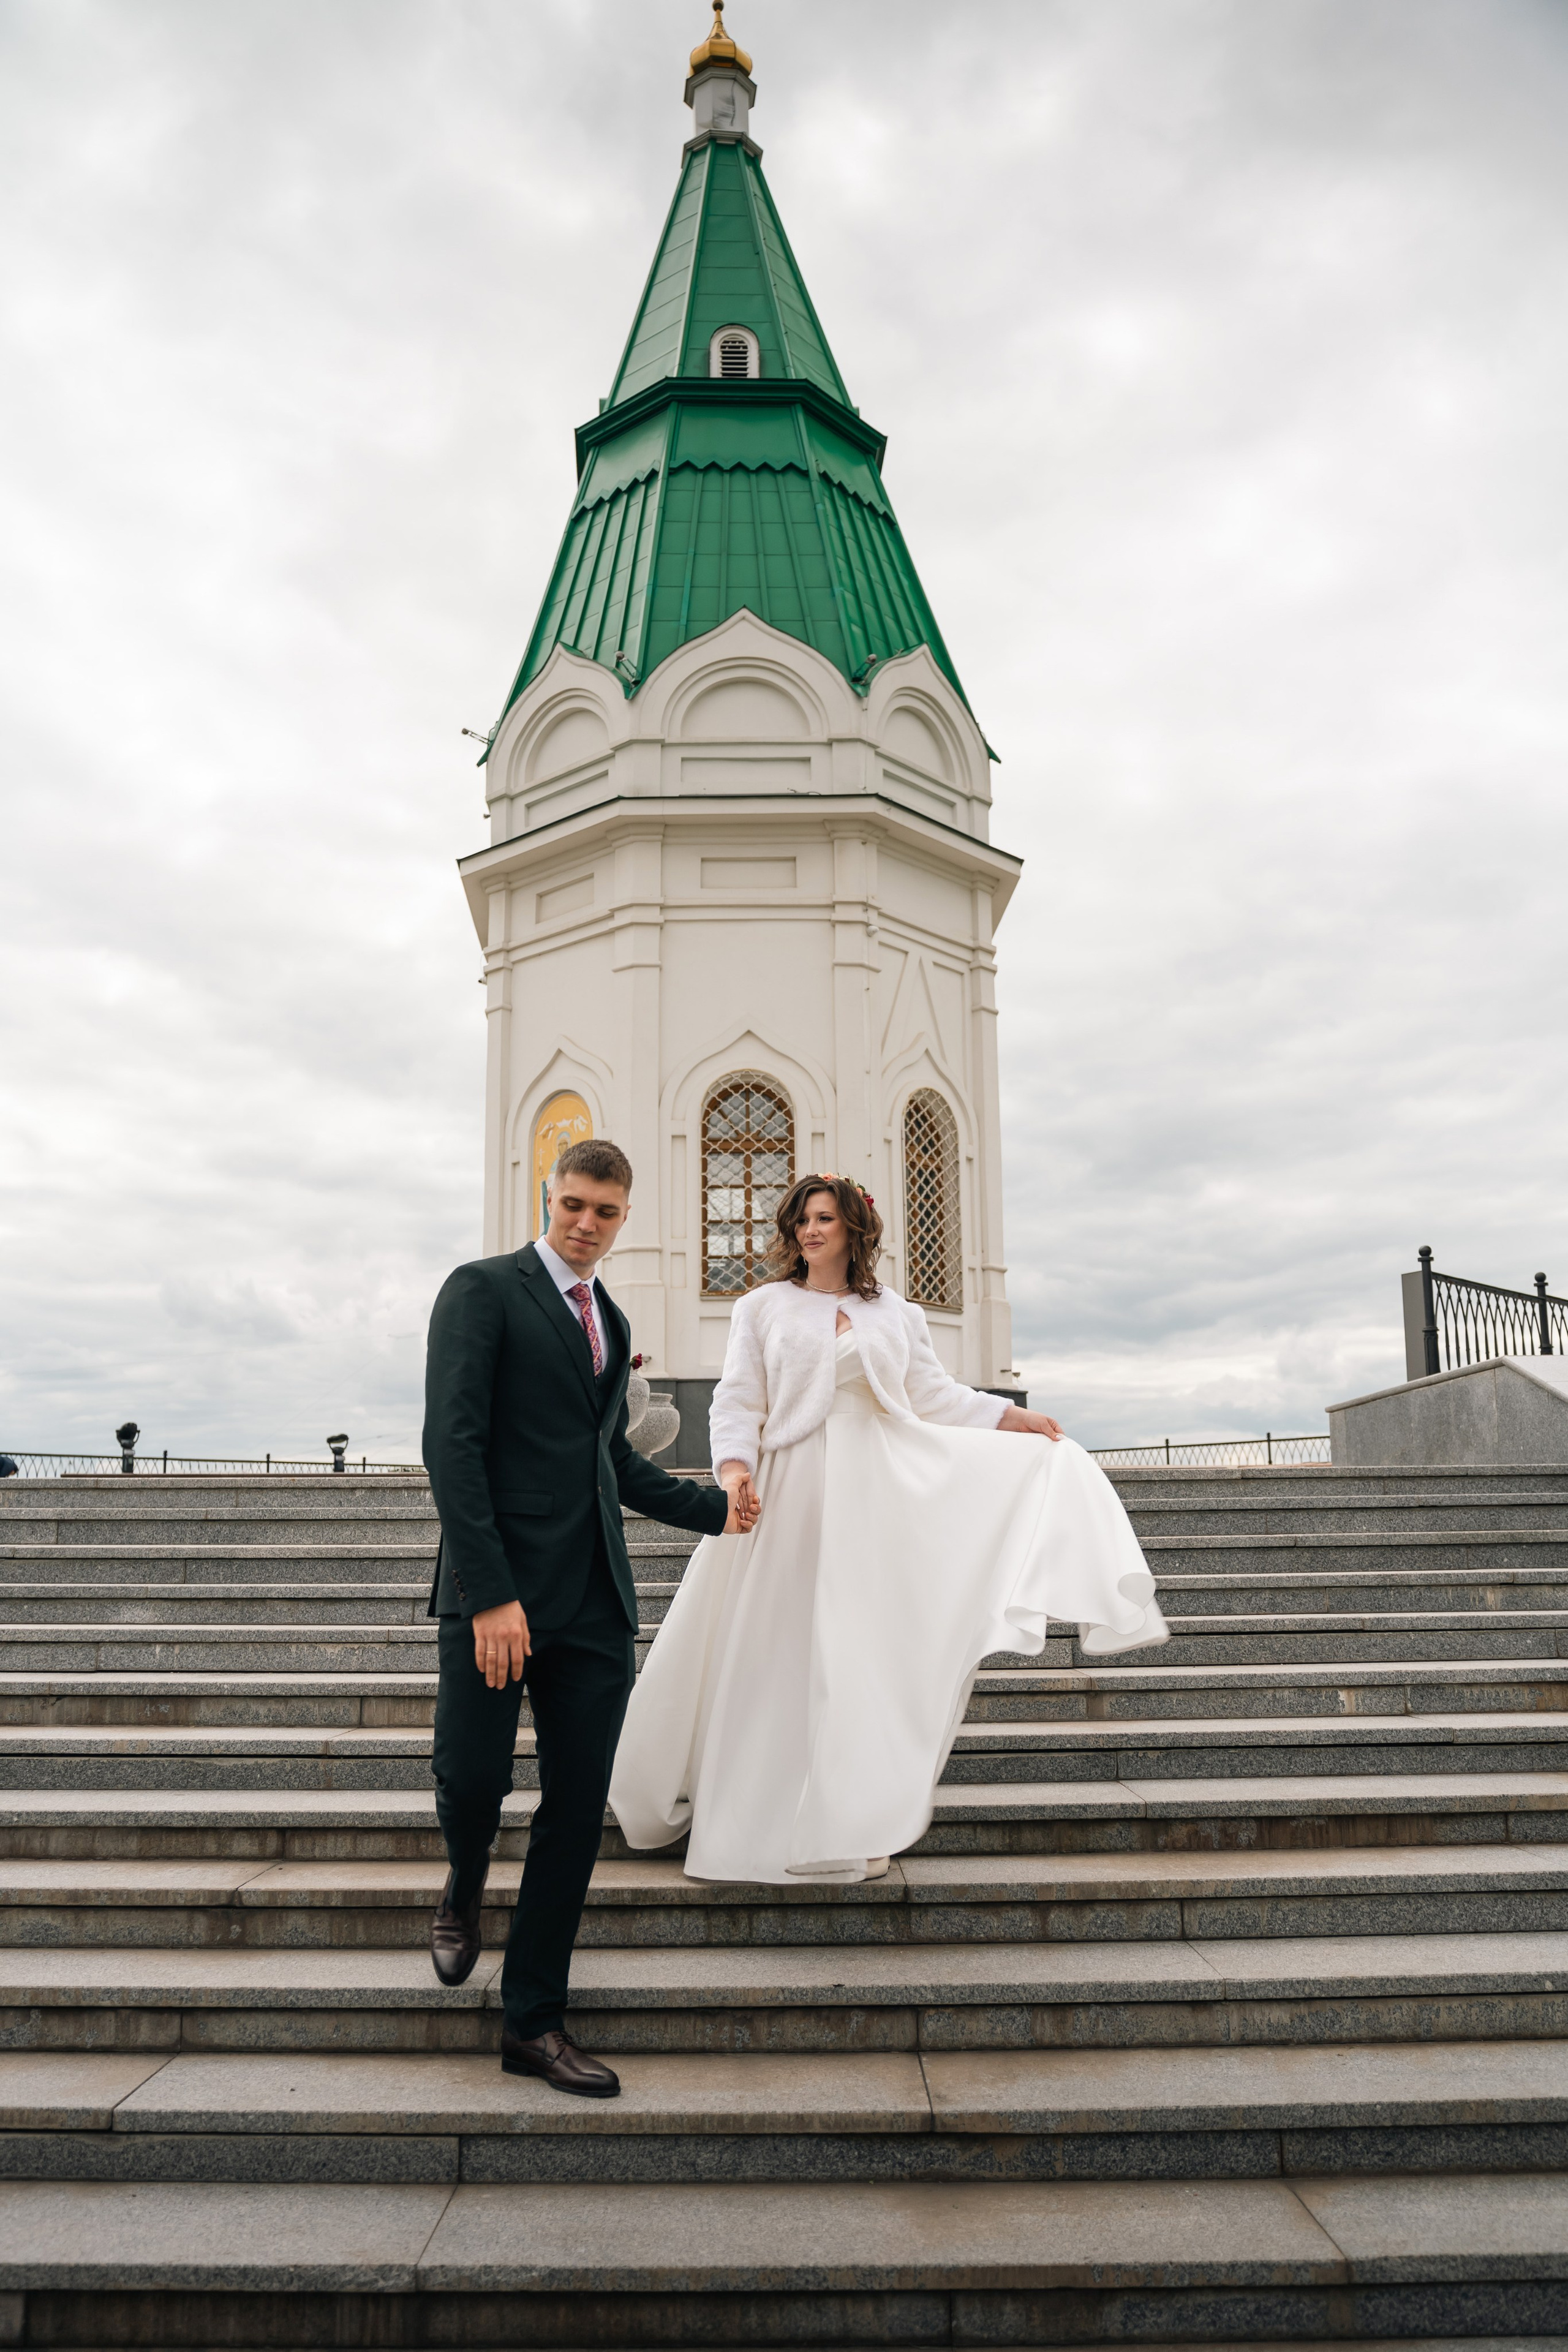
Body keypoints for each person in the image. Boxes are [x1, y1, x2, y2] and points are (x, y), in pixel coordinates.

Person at [610, 1173, 1167, 1885]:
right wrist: (735, 1470)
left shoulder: (896, 1312)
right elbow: (738, 1399)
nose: (811, 1231)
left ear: (853, 1229)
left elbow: (932, 1395)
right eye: (802, 1220)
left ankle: (845, 1821)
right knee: (780, 1644)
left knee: (855, 1653)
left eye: (825, 1219)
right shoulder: (761, 1307)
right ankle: (757, 1823)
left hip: (872, 1494)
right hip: (791, 1487)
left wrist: (1011, 1416)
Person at [421, 1137, 758, 2097]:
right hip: (497, 1596)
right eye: (573, 1204)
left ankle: (534, 2021)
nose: (585, 1223)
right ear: (549, 1197)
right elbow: (452, 1444)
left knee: (573, 1816)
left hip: (594, 1605)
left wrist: (719, 1512)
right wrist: (490, 1594)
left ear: (623, 1218)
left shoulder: (609, 1318)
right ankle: (462, 1883)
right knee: (473, 1780)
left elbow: (611, 1463)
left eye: (605, 1212)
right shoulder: (482, 1291)